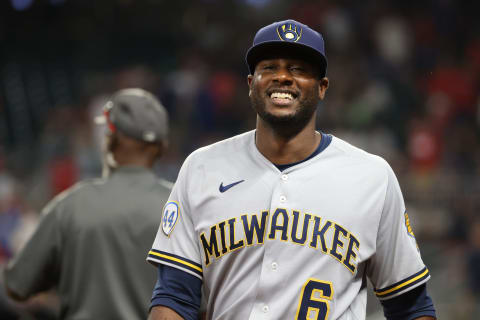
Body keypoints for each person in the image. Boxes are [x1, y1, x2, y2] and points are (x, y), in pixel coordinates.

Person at [146, 20, 437, 320]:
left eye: (299, 69)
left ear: (322, 88)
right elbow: (174, 297)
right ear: (251, 84)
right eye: (270, 67)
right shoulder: (201, 167)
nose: (283, 77)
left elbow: (411, 306)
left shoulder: (372, 176)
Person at [4, 88, 172, 320]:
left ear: (110, 138)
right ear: (161, 145)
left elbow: (16, 286)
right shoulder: (184, 205)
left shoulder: (70, 206)